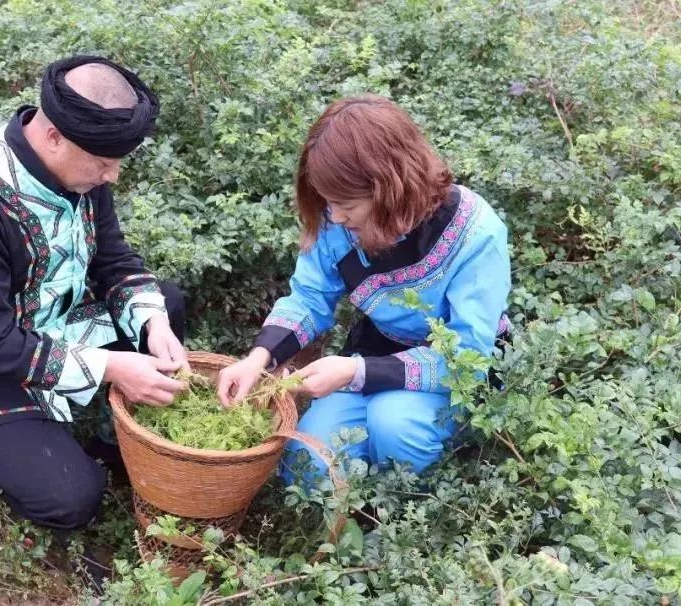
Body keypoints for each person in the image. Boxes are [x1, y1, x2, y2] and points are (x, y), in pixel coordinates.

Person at [0, 55, 188, 534]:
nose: (113, 176)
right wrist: (110, 366)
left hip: (46, 325)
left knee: (163, 305)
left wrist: (154, 324)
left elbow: (113, 262)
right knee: (72, 497)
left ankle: (112, 432)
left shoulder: (81, 171)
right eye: (105, 164)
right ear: (52, 137)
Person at [217, 95, 511, 484]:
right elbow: (309, 296)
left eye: (345, 204)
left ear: (391, 189)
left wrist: (354, 372)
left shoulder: (476, 234)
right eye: (328, 203)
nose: (335, 217)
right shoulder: (337, 221)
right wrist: (260, 357)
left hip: (455, 375)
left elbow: (466, 359)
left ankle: (403, 513)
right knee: (307, 463)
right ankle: (354, 506)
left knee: (395, 426)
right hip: (376, 351)